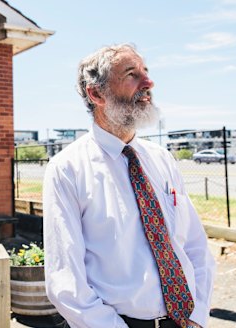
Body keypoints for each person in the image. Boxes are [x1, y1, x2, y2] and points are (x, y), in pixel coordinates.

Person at [43, 44, 216, 328]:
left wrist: (197, 316)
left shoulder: (162, 159)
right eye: (132, 74)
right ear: (96, 93)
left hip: (185, 321)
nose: (149, 83)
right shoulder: (67, 169)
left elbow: (194, 246)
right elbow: (66, 282)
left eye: (146, 72)